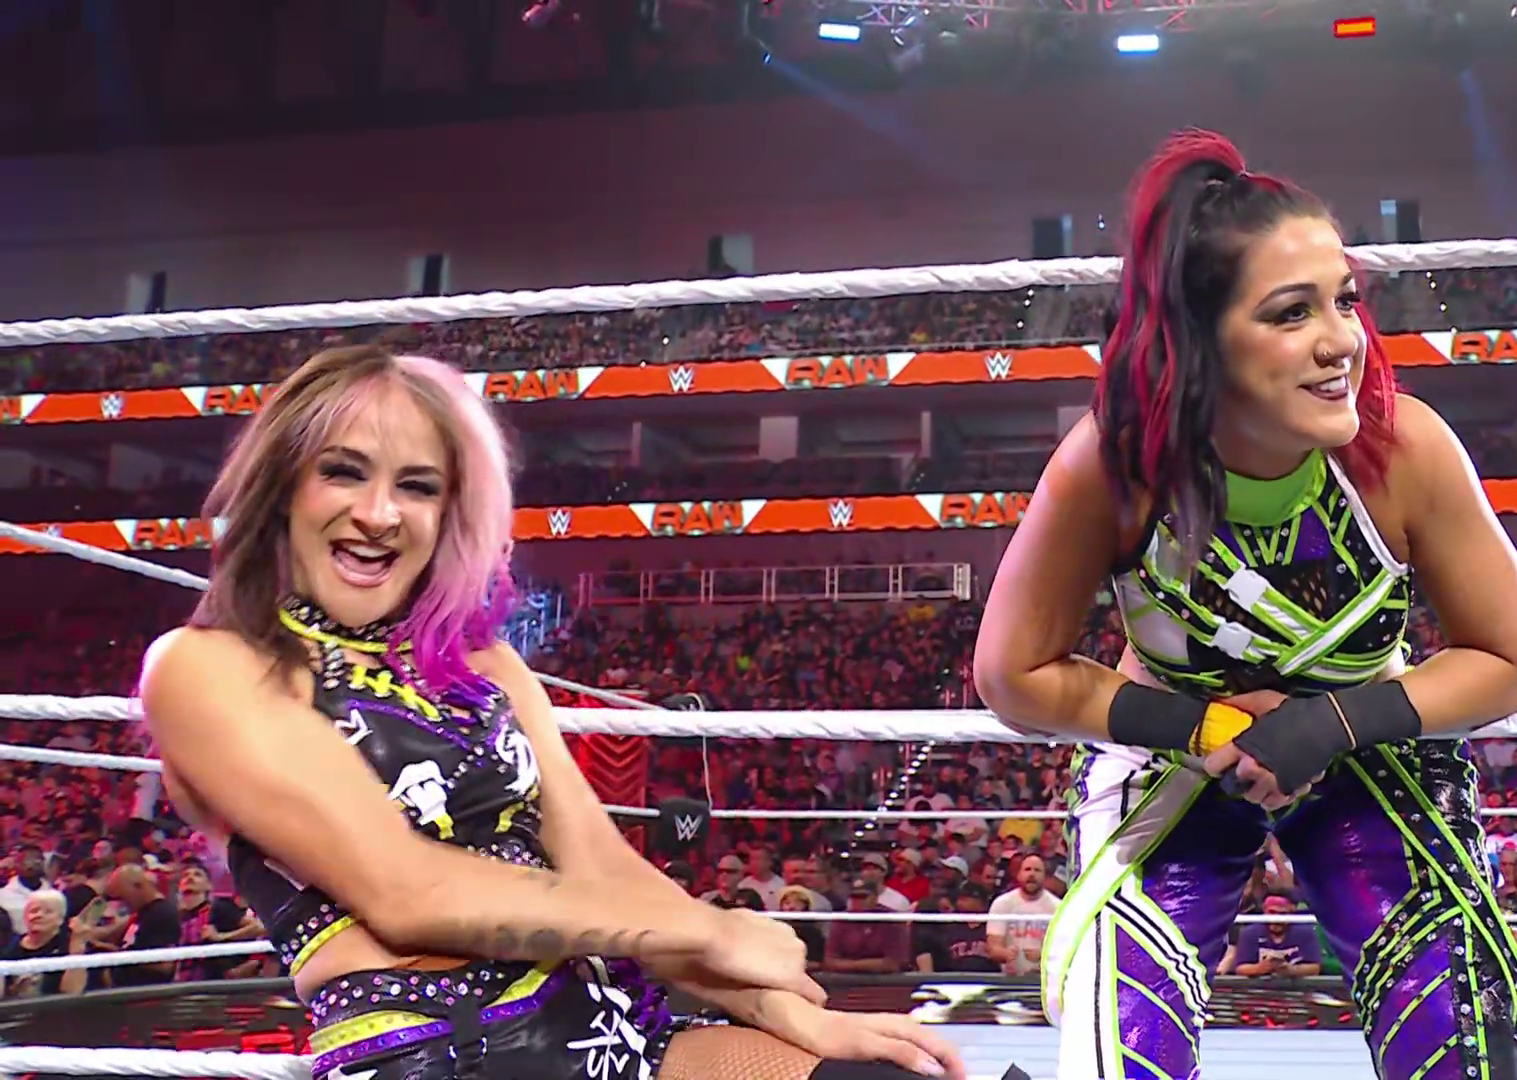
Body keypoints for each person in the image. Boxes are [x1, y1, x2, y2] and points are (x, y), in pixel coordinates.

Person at [139, 346, 962, 1080]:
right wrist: (711, 932)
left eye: (417, 486)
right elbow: (407, 890)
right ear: (283, 486)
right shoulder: (207, 666)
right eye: (345, 472)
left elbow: (601, 866)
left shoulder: (483, 665)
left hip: (621, 1025)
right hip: (439, 1053)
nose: (380, 514)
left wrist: (790, 1013)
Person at [973, 129, 1517, 1080]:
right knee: (1119, 1042)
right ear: (1199, 339)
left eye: (1345, 300)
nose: (1342, 340)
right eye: (1292, 313)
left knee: (1459, 1025)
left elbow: (1514, 660)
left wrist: (1328, 725)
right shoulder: (1113, 465)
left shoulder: (1406, 448)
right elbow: (1009, 673)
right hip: (1172, 751)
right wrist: (1207, 726)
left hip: (1371, 745)